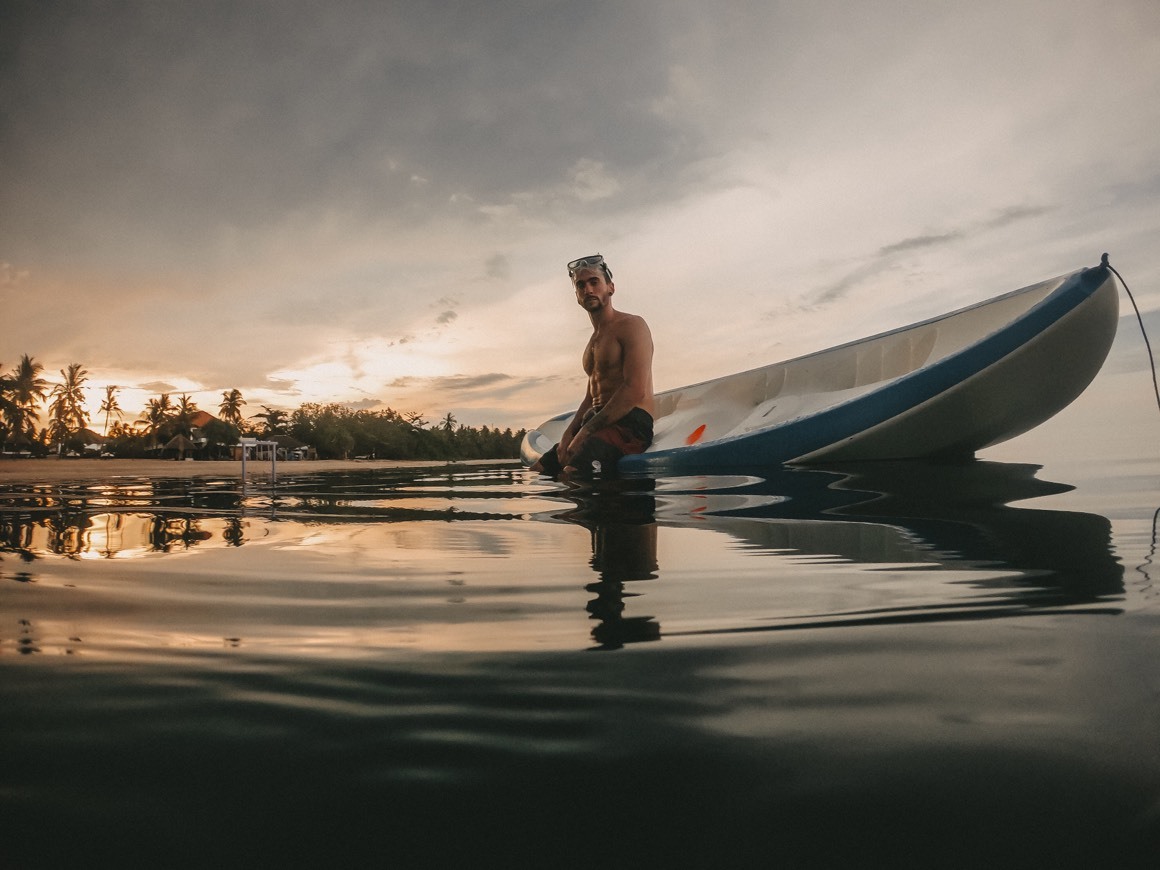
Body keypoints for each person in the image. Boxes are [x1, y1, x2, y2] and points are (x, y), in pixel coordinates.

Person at [533, 254, 655, 478]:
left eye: (594, 282)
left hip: (630, 423)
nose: (588, 289)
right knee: (539, 470)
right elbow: (591, 397)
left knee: (573, 473)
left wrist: (585, 432)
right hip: (597, 421)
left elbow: (634, 389)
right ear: (577, 296)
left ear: (610, 287)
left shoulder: (632, 326)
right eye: (581, 285)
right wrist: (569, 433)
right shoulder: (592, 343)